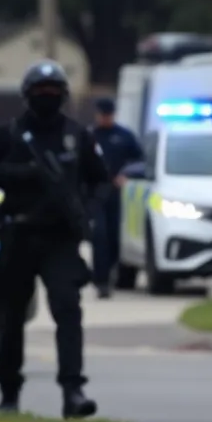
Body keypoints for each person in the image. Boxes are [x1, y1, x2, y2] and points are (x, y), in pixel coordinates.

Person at [0, 60, 110, 419]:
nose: (47, 97)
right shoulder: (10, 135)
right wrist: (16, 173)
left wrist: (86, 210)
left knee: (68, 311)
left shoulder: (77, 136)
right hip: (19, 236)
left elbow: (101, 181)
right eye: (41, 91)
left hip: (60, 239)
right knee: (11, 316)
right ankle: (9, 393)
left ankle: (73, 391)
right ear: (27, 96)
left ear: (64, 95)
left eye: (54, 91)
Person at [88, 97, 144, 298]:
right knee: (99, 236)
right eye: (102, 115)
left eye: (108, 115)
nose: (105, 118)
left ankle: (110, 272)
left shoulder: (124, 136)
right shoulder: (89, 136)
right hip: (95, 192)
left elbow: (139, 160)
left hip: (117, 193)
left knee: (114, 237)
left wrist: (126, 175)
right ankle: (101, 280)